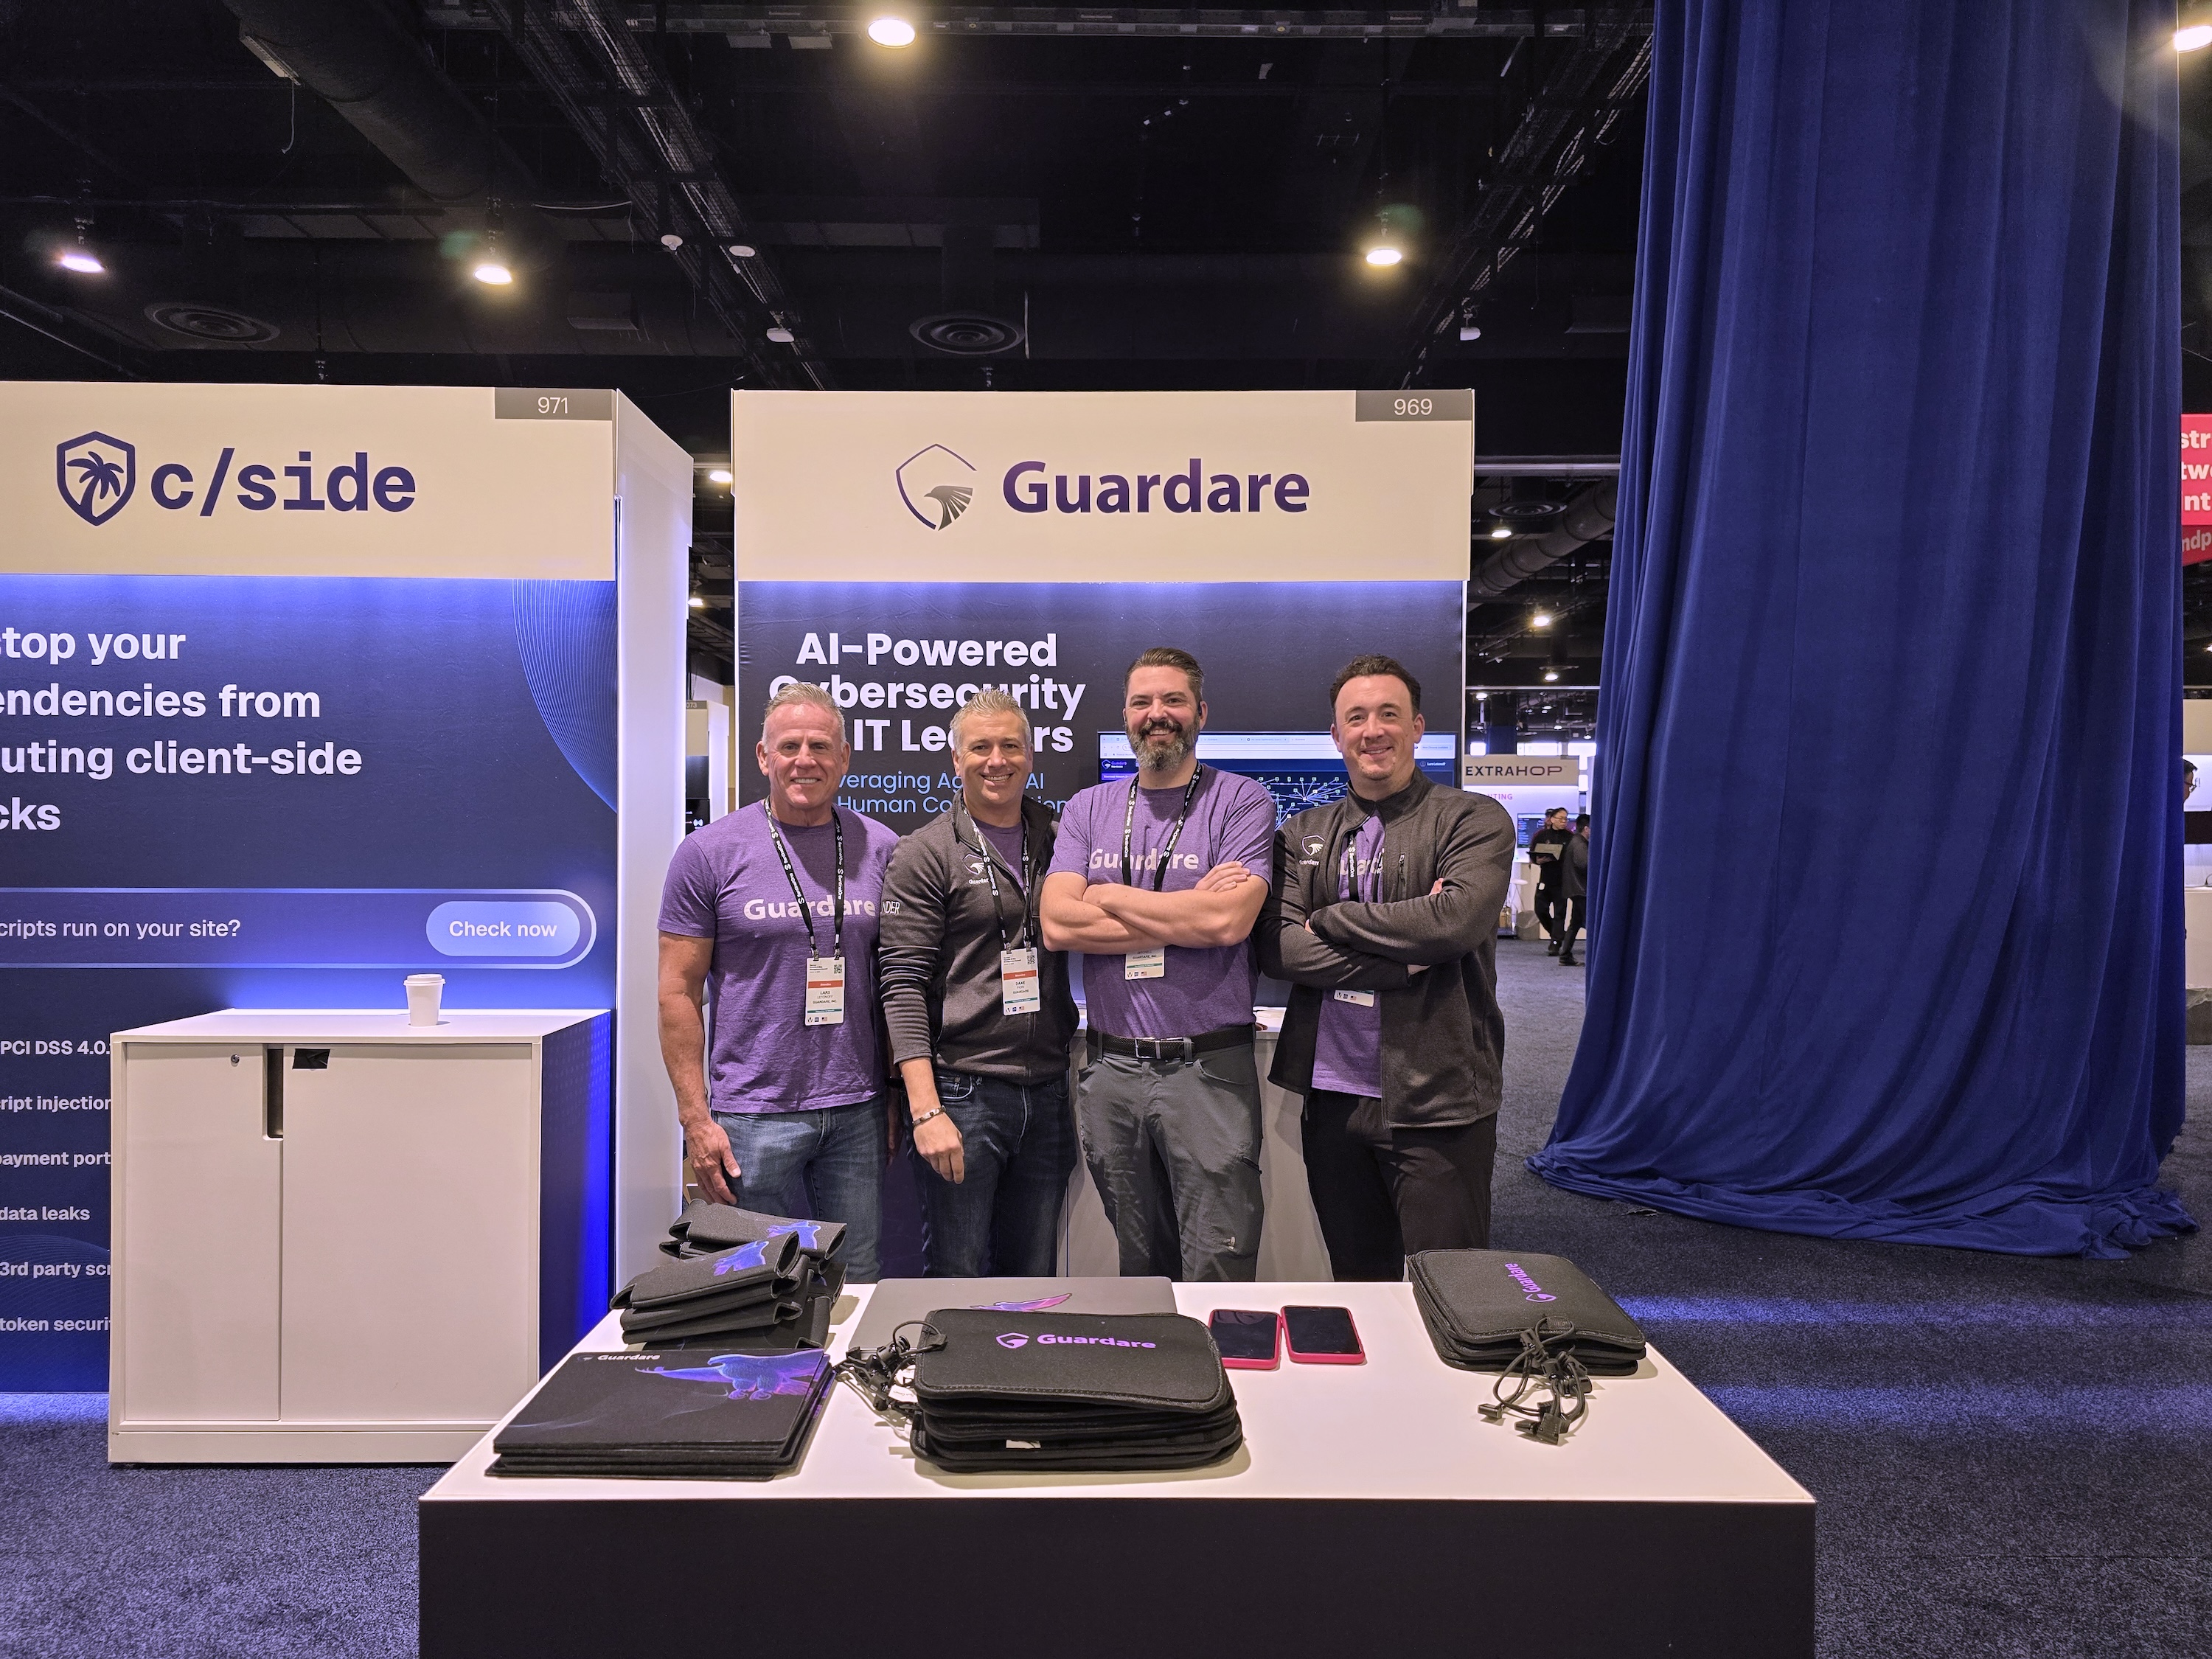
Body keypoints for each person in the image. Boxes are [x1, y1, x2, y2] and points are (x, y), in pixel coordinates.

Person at [1258, 653, 1516, 1281]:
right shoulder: (1302, 832)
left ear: (1417, 726)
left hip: (1439, 1098)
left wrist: (1331, 918)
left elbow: (1453, 924)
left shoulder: (1472, 818)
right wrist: (1402, 964)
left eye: (1388, 714)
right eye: (1356, 718)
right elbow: (1278, 949)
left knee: (1452, 1286)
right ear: (1336, 734)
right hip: (1333, 1099)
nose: (1372, 730)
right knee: (1359, 1284)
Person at [1039, 647, 1276, 1281]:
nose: (1157, 714)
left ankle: (1219, 1353)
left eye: (1173, 700)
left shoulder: (1241, 801)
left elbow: (1227, 923)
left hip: (1208, 1070)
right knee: (1141, 1267)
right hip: (1111, 1071)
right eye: (1142, 702)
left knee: (1218, 1262)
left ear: (1200, 712)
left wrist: (1108, 895)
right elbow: (1058, 924)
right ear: (1126, 715)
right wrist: (1188, 911)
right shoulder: (1088, 808)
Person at [655, 682, 900, 1281]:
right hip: (751, 1116)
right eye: (789, 746)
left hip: (858, 1109)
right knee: (748, 1285)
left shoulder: (883, 849)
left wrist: (895, 1092)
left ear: (844, 757)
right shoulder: (707, 853)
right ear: (764, 757)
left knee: (856, 1277)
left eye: (820, 746)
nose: (804, 760)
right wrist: (695, 1118)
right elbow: (677, 992)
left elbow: (899, 983)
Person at [879, 690, 1080, 1276]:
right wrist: (925, 1110)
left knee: (1033, 1274)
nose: (997, 760)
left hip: (1047, 1089)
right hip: (963, 1093)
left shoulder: (1061, 838)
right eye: (981, 748)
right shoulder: (925, 852)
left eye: (1010, 746)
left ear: (1031, 755)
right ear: (956, 759)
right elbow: (902, 985)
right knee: (958, 1272)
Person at [1528, 806, 1573, 953]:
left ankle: (1555, 943)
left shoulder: (1570, 837)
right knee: (1540, 909)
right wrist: (1538, 860)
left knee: (1560, 913)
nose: (1564, 821)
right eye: (1561, 818)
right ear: (1552, 819)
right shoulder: (1541, 835)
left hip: (1562, 881)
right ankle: (1557, 934)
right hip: (1545, 879)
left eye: (1566, 819)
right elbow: (1533, 854)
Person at [1557, 811, 1590, 967]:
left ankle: (1565, 955)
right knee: (1589, 924)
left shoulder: (1575, 842)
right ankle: (1596, 956)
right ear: (1586, 828)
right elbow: (1584, 865)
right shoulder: (1580, 844)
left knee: (1575, 923)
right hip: (1581, 889)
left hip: (1576, 889)